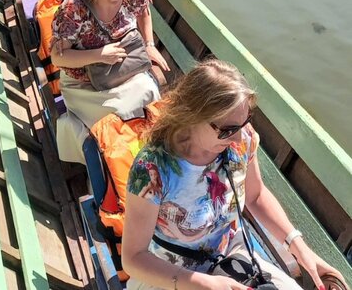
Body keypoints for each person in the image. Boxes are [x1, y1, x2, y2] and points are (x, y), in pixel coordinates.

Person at [122, 58, 348, 290]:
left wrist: (297, 245)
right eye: (228, 130)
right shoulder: (152, 168)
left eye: (245, 121)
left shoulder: (242, 138)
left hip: (230, 253)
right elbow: (133, 258)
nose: (239, 138)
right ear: (192, 116)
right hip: (168, 274)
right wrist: (202, 283)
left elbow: (256, 196)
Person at [50, 0, 170, 164]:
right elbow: (57, 57)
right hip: (85, 83)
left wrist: (149, 44)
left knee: (151, 93)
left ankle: (146, 157)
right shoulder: (74, 7)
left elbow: (143, 11)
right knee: (118, 114)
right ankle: (110, 164)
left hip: (124, 71)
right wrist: (99, 54)